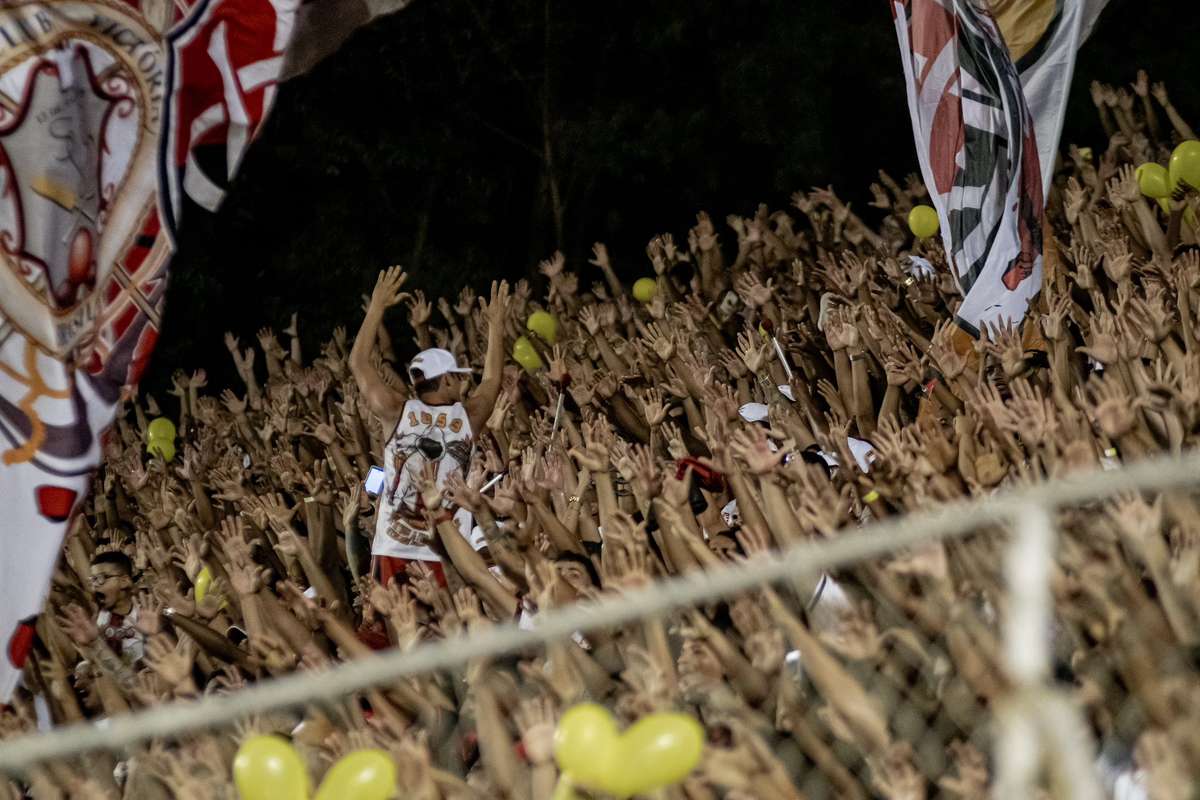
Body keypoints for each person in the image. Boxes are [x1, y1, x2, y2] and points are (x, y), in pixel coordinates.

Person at [350, 266, 511, 585]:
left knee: (398, 628)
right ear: (447, 379)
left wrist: (377, 307)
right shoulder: (469, 416)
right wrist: (495, 326)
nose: (463, 381)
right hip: (447, 551)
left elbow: (358, 362)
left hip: (393, 548)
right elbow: (493, 379)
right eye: (458, 375)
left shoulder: (395, 410)